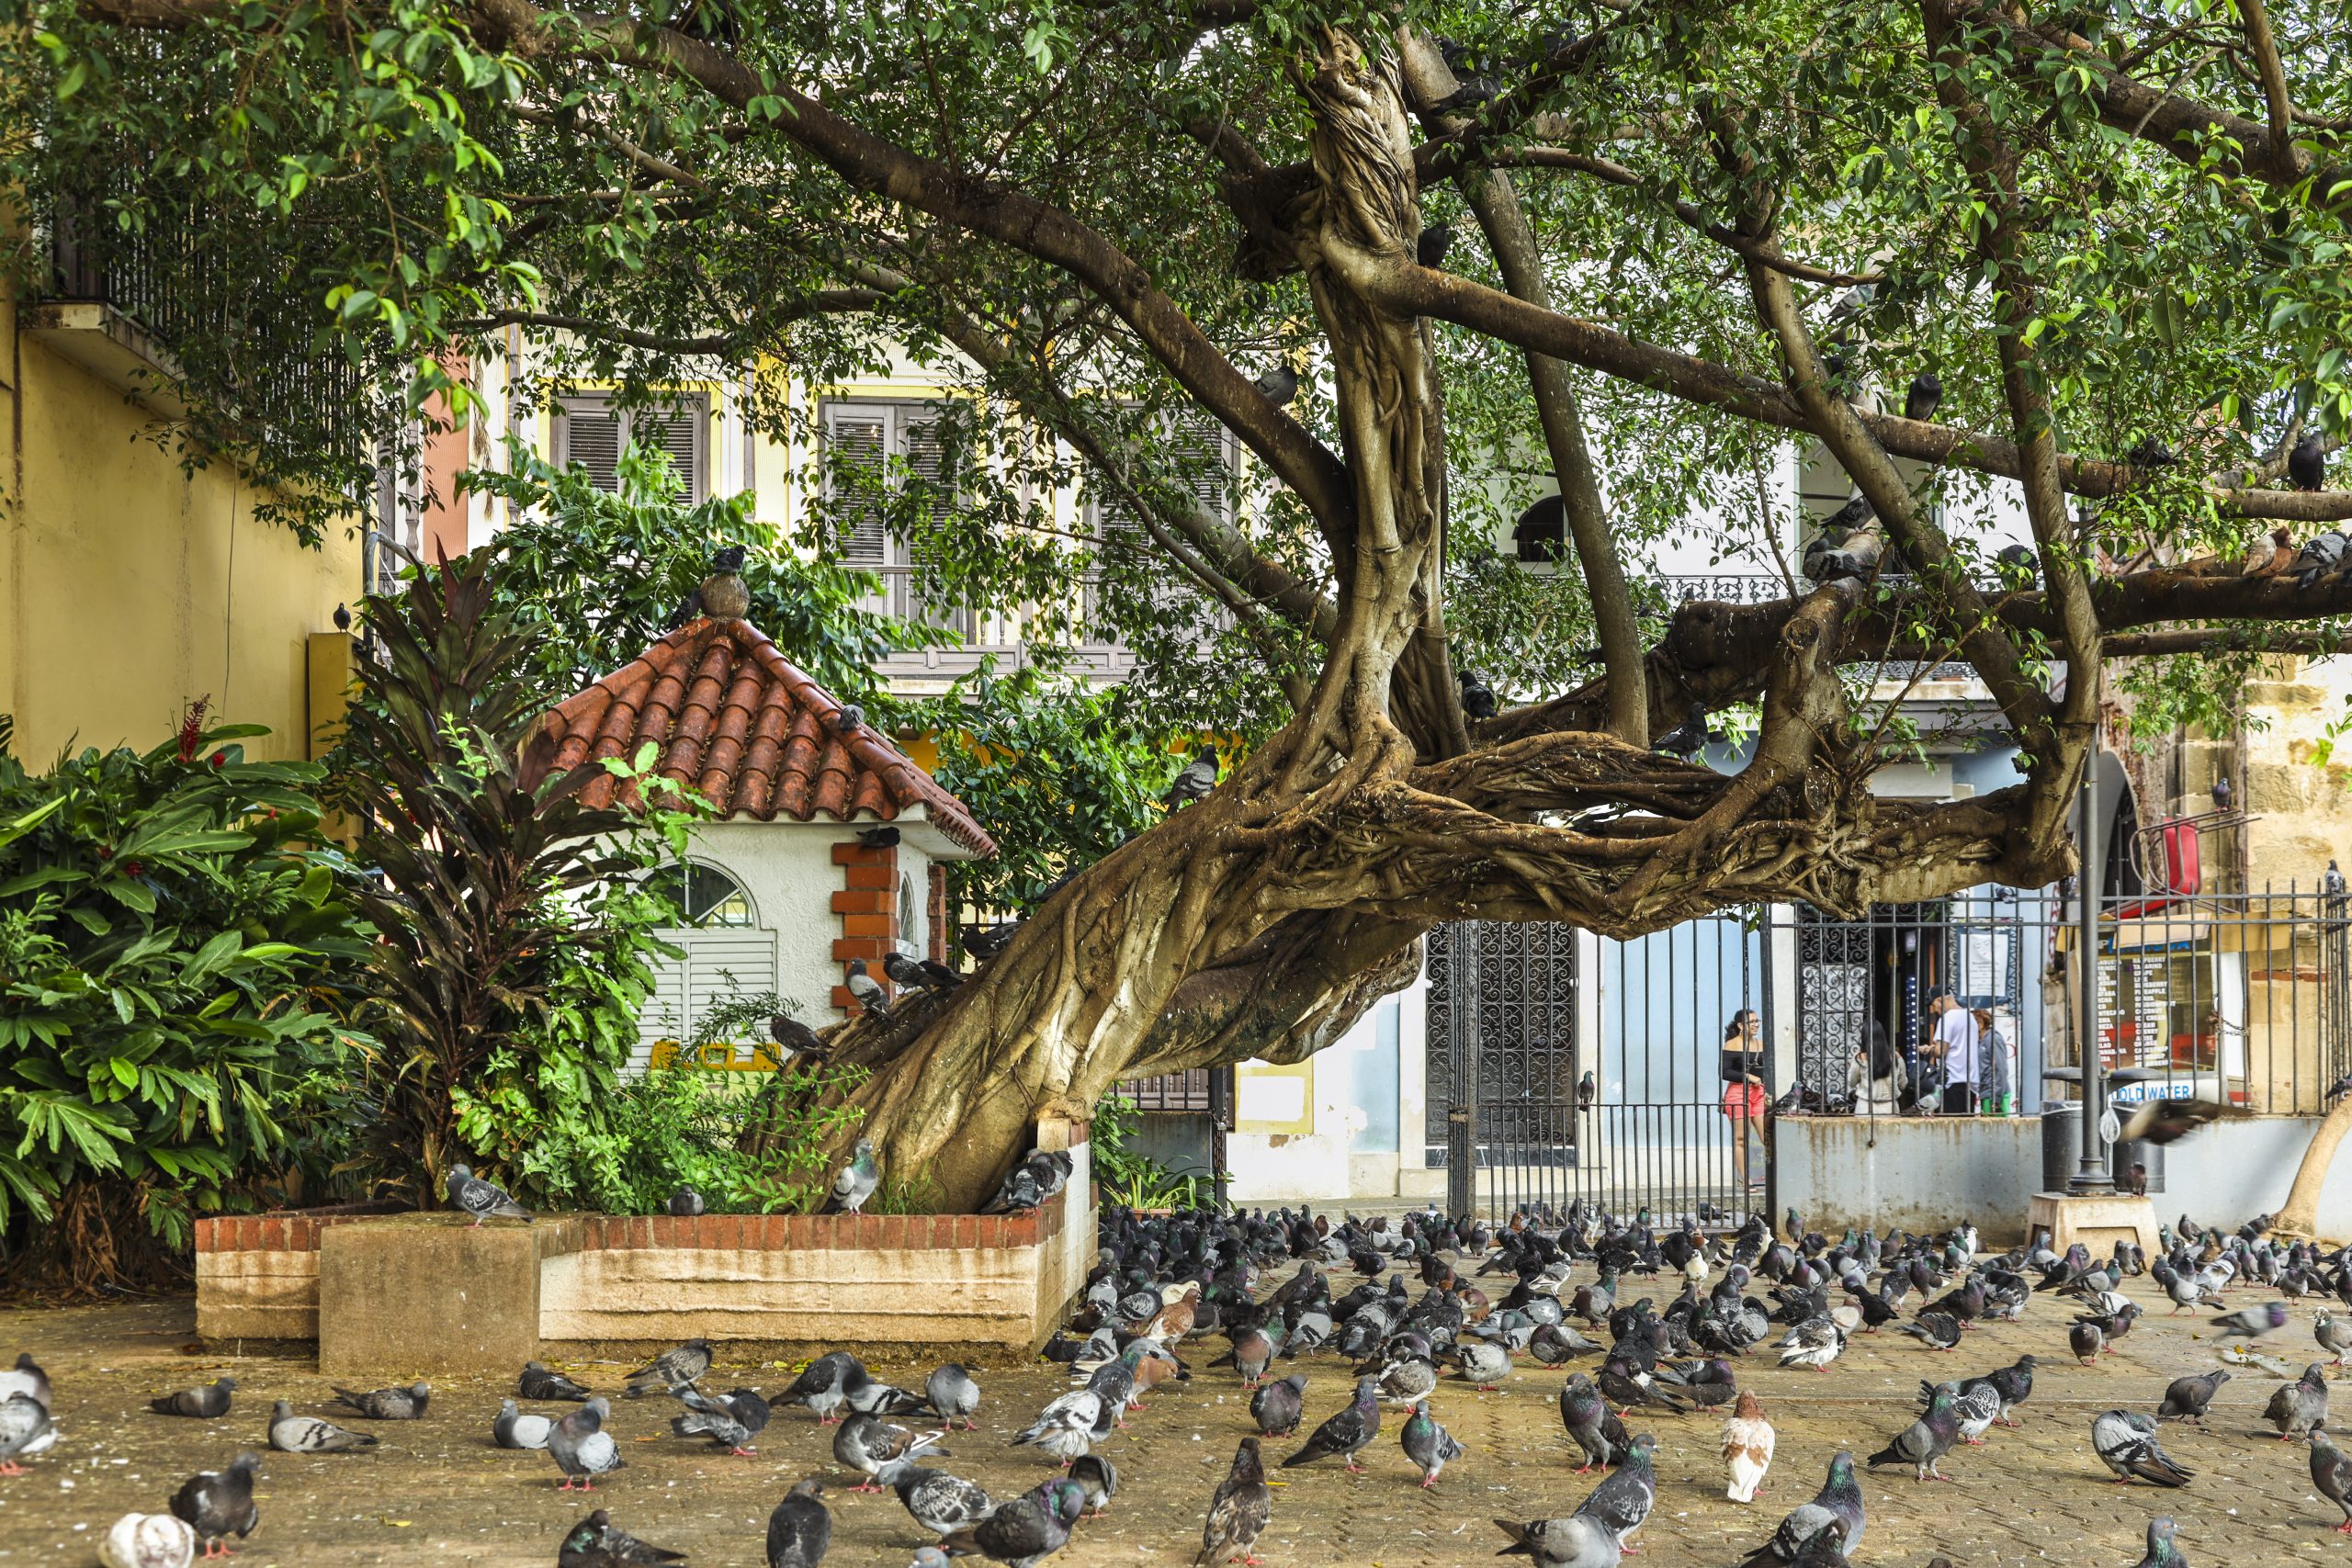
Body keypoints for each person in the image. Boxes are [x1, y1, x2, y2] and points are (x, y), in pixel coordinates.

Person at [1719, 1009, 1769, 1190]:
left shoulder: (1762, 1044)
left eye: (1757, 1021)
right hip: (1738, 1093)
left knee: (1768, 1137)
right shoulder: (1732, 1045)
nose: (1756, 1025)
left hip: (1759, 1093)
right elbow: (1725, 1072)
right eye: (1751, 1022)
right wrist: (1748, 1076)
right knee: (1741, 1139)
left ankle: (1773, 1176)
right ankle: (1745, 1178)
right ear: (1741, 1025)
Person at [1926, 987, 1981, 1115]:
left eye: (1934, 1005)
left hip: (1953, 1082)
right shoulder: (1969, 1016)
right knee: (1965, 1128)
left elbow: (1940, 1051)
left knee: (1949, 1129)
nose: (1934, 1010)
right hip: (1970, 1084)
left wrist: (1930, 1050)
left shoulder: (1948, 1018)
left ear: (1939, 1000)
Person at [1846, 1020, 1907, 1114]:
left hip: (1865, 1108)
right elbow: (1903, 1084)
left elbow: (1851, 1082)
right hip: (1890, 1108)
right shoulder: (1896, 1057)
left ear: (1864, 1037)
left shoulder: (1860, 1058)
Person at [1973, 1007, 2012, 1116]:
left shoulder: (1993, 1039)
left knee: (1997, 1129)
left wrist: (1996, 1097)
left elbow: (2000, 1068)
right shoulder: (1981, 1042)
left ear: (1980, 1024)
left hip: (1994, 1094)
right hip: (1987, 1092)